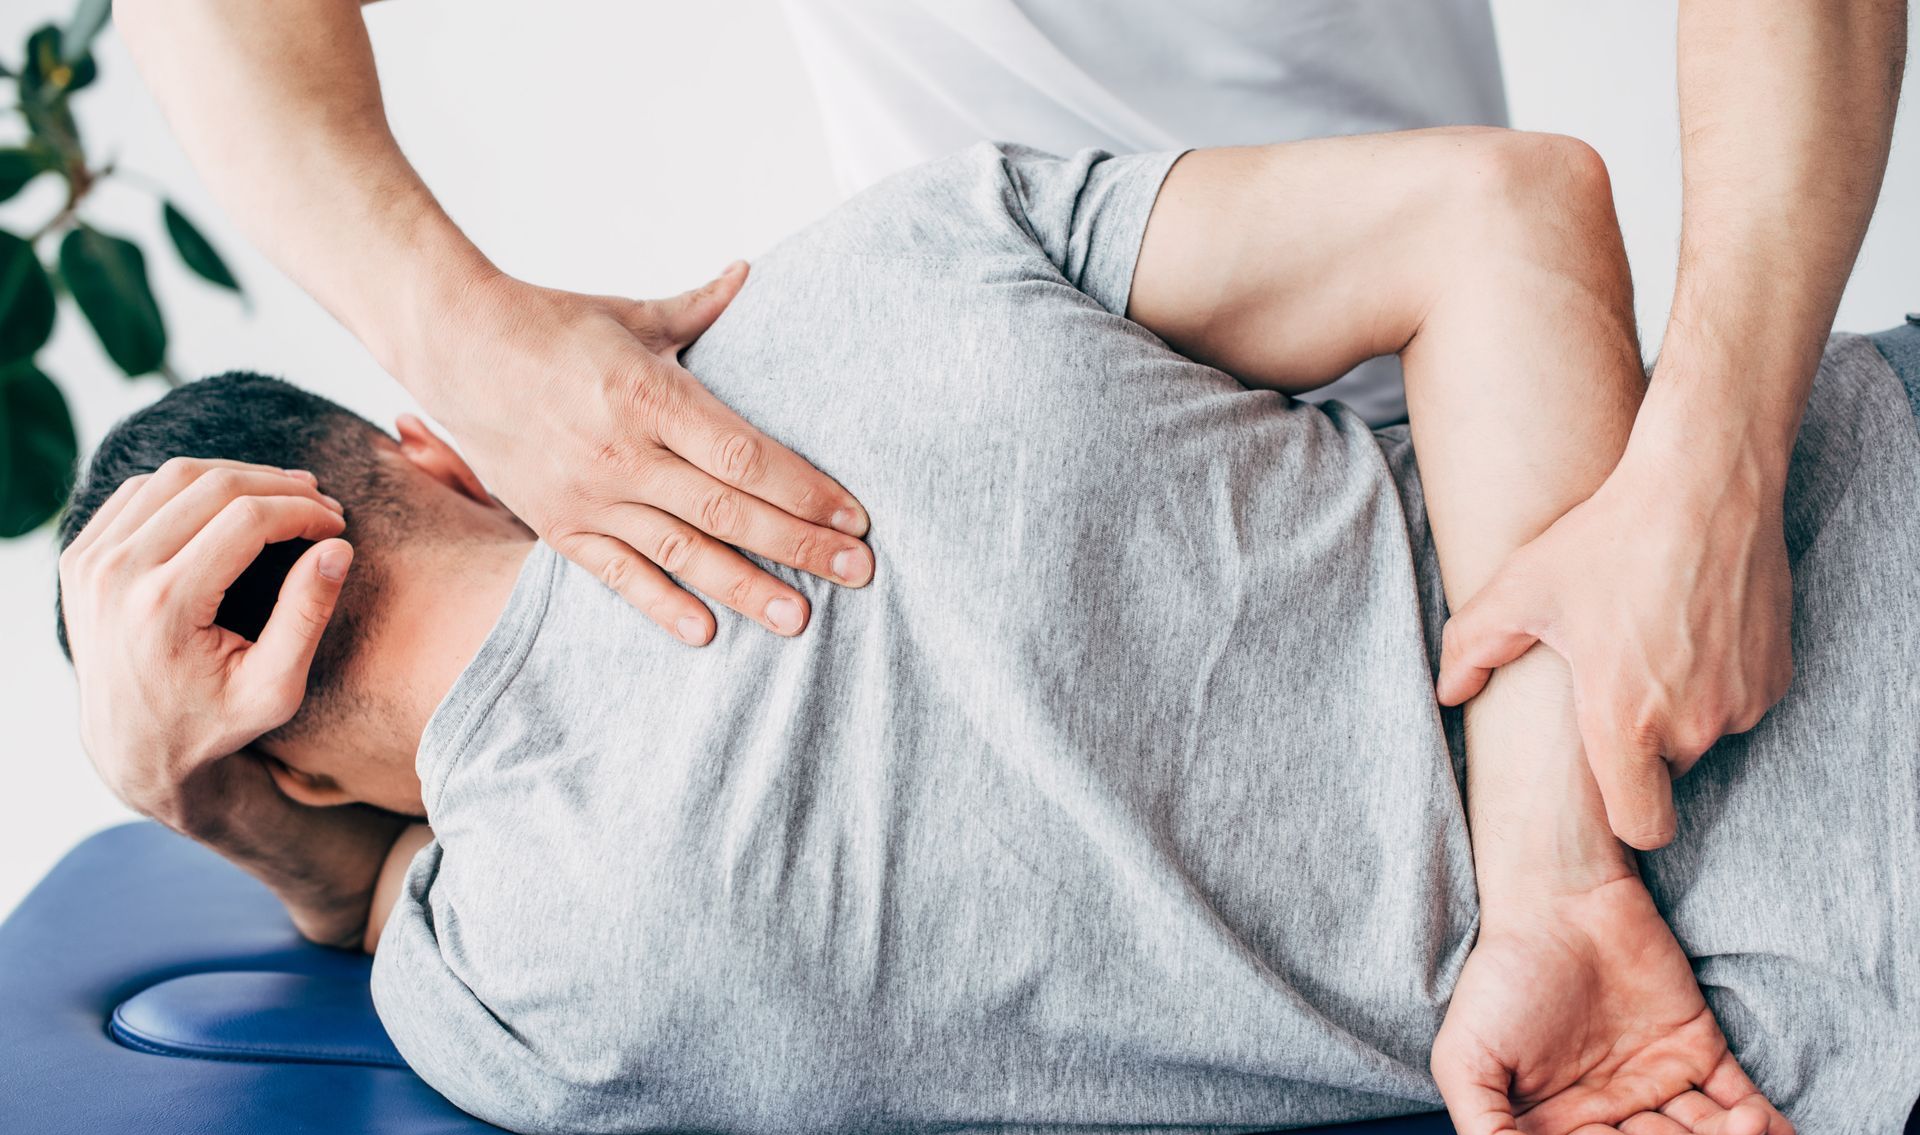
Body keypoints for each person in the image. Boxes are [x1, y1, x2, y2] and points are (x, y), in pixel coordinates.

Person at [57, 130, 1920, 1135]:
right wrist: (1554, 871)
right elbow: (1513, 209)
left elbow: (358, 890)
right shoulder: (875, 264)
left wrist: (188, 790)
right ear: (437, 447)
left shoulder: (521, 995)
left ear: (272, 763)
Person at [114, 0, 1907, 853]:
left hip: (1471, 415)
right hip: (1042, 415)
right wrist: (466, 329)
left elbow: (1504, 225)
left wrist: (1717, 459)